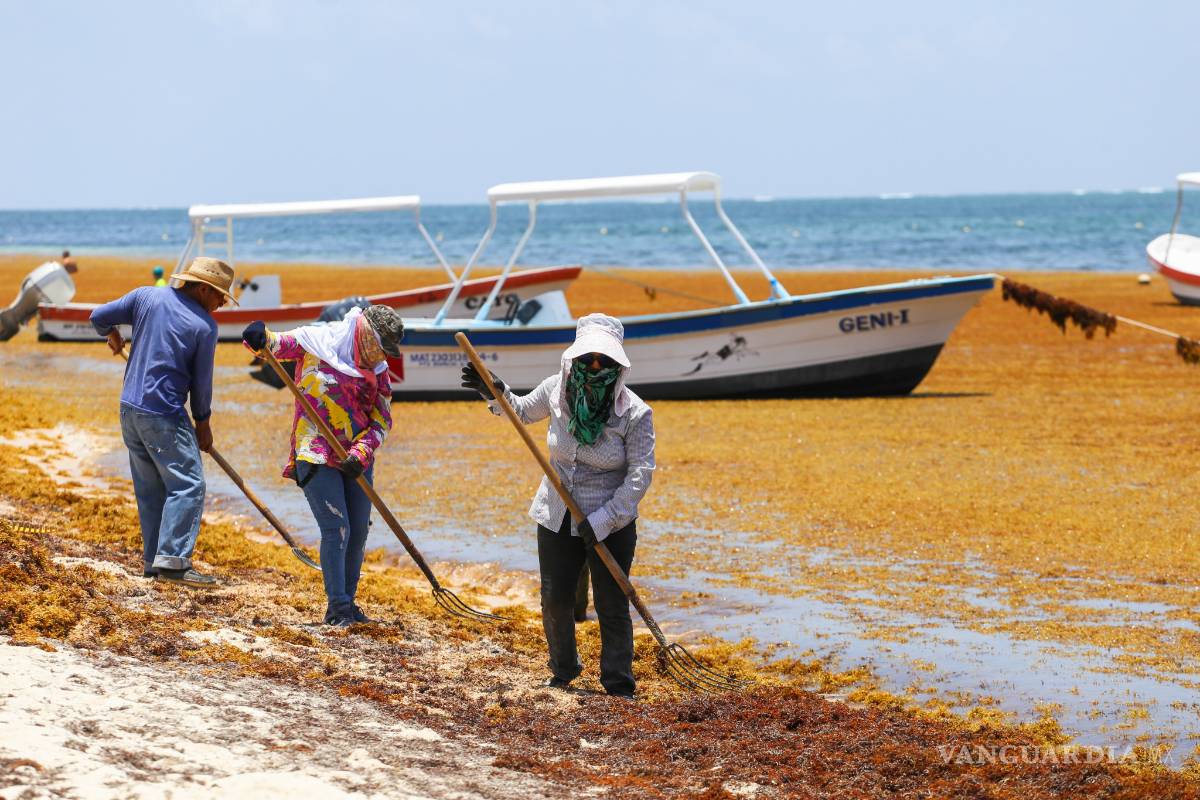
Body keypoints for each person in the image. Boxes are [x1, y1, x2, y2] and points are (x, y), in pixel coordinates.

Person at [461, 313, 655, 698]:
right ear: (574, 358)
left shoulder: (634, 412)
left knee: (611, 602)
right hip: (556, 511)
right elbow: (519, 411)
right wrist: (493, 391)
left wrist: (602, 520)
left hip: (611, 521)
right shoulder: (556, 390)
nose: (595, 366)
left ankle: (618, 683)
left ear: (618, 364)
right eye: (588, 358)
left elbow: (639, 475)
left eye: (604, 360)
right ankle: (563, 671)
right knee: (555, 597)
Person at [242, 305, 402, 627]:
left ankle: (350, 602)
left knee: (357, 532)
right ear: (365, 336)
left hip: (356, 460)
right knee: (336, 528)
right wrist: (257, 335)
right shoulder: (315, 342)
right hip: (315, 450)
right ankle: (338, 608)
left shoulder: (380, 370)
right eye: (380, 348)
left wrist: (361, 452)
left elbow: (382, 419)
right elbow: (271, 345)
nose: (381, 357)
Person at [89, 257, 236, 587]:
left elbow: (98, 317)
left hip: (129, 409)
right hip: (163, 414)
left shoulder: (146, 296)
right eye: (220, 296)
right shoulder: (204, 326)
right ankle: (173, 561)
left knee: (151, 489)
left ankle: (153, 563)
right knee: (189, 484)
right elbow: (201, 384)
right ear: (202, 289)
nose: (222, 303)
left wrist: (110, 333)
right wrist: (203, 423)